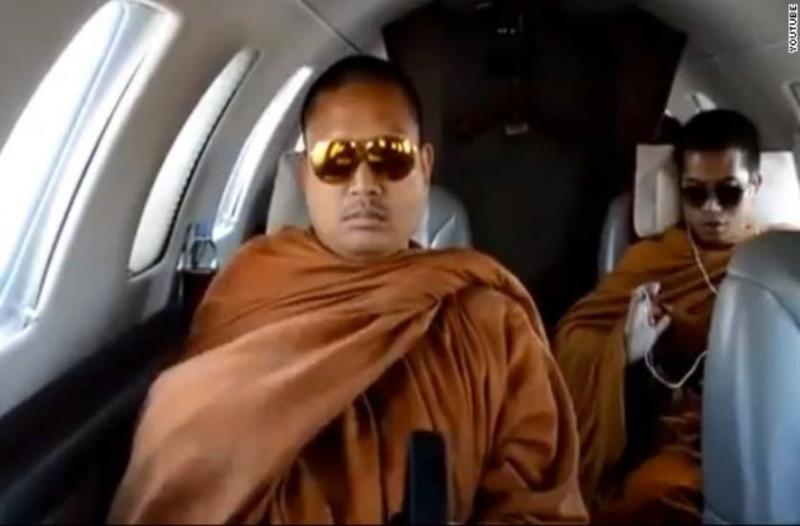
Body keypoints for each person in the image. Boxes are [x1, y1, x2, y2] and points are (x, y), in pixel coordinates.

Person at [109, 55, 587, 524]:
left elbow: (538, 503)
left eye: (390, 156)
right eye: (336, 159)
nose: (364, 184)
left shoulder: (491, 322)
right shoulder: (247, 291)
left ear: (424, 167)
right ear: (305, 175)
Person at [554, 109, 764, 523]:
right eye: (695, 194)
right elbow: (572, 338)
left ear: (754, 186)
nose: (711, 209)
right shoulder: (651, 258)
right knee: (651, 497)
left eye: (728, 193)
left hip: (754, 427)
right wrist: (624, 347)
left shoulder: (775, 265)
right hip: (673, 435)